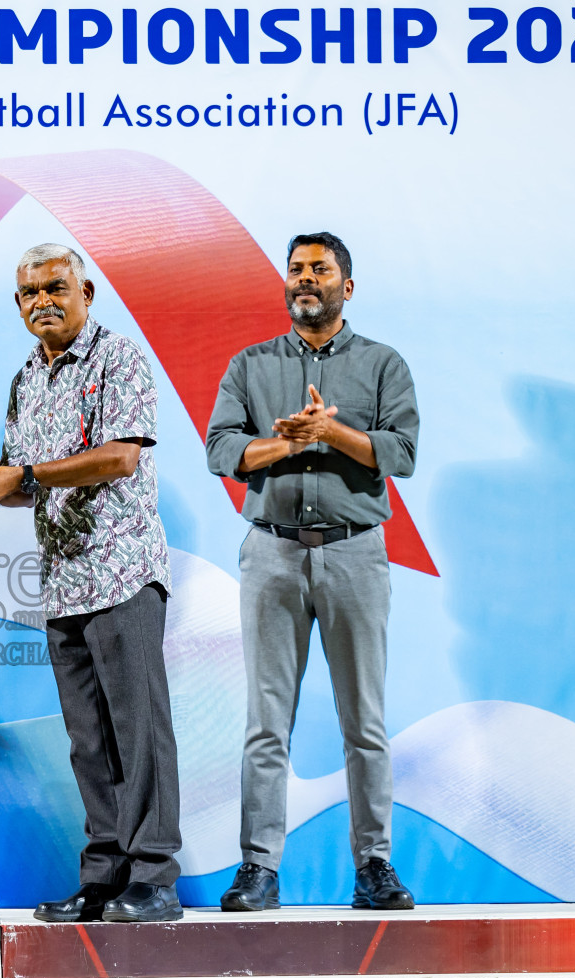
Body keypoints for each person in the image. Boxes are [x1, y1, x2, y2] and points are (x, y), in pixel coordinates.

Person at [0, 243, 183, 923]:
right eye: (29, 293)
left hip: (121, 575)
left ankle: (154, 879)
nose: (42, 301)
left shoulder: (119, 359)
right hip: (63, 586)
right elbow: (28, 485)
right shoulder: (28, 379)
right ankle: (105, 876)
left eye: (55, 286)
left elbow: (118, 458)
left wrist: (26, 476)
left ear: (86, 290)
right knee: (89, 742)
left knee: (138, 731)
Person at [205, 232, 419, 912]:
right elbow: (222, 450)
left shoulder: (384, 365)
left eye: (319, 270)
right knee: (266, 722)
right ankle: (259, 869)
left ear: (345, 287)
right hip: (271, 552)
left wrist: (329, 434)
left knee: (365, 721)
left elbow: (400, 451)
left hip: (356, 550)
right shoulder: (251, 364)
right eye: (295, 269)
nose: (305, 279)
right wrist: (286, 443)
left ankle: (375, 867)